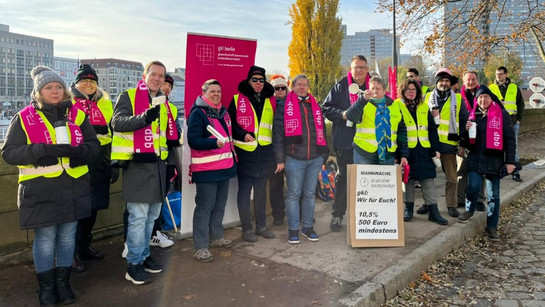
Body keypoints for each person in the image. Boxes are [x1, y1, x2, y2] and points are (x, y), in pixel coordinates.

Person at [1, 66, 100, 306]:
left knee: (67, 238)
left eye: (58, 87)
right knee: (45, 240)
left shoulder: (77, 115)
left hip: (73, 187)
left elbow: (94, 147)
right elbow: (9, 153)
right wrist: (40, 151)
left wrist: (79, 152)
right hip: (40, 190)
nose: (54, 91)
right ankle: (46, 288)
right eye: (48, 87)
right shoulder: (24, 116)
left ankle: (63, 284)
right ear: (38, 92)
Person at [111, 61, 175, 285]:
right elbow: (116, 123)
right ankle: (133, 264)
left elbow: (165, 137)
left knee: (151, 218)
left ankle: (144, 256)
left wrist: (171, 164)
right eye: (154, 74)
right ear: (144, 75)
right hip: (137, 166)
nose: (158, 79)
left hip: (158, 166)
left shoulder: (163, 102)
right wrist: (144, 118)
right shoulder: (128, 96)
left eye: (162, 76)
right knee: (138, 219)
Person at [273, 74, 328, 244]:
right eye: (299, 84)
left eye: (305, 85)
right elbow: (278, 135)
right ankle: (293, 229)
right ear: (293, 86)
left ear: (308, 87)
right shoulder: (285, 106)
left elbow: (322, 130)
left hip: (314, 158)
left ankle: (307, 227)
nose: (302, 87)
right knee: (293, 194)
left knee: (310, 194)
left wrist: (323, 155)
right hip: (294, 158)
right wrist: (280, 159)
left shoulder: (314, 105)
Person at [69, 64, 114, 273]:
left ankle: (86, 247)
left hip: (101, 158)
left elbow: (113, 131)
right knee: (77, 209)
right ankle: (72, 253)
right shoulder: (67, 101)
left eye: (92, 81)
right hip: (79, 159)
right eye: (84, 81)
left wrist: (113, 161)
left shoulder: (105, 101)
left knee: (93, 207)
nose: (88, 84)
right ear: (77, 83)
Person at [457, 86, 516, 241]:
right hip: (476, 158)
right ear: (477, 100)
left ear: (491, 99)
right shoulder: (473, 115)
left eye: (486, 97)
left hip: (494, 161)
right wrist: (465, 129)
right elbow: (465, 140)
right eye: (480, 98)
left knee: (493, 196)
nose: (483, 100)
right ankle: (469, 210)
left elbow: (510, 140)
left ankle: (492, 226)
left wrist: (510, 162)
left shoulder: (502, 114)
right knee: (473, 187)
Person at [187, 79, 237, 262]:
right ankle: (200, 246)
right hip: (207, 170)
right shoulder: (198, 114)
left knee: (219, 206)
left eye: (218, 91)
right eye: (212, 91)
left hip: (224, 168)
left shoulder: (222, 112)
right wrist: (212, 143)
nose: (216, 94)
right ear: (204, 93)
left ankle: (217, 237)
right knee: (204, 208)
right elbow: (193, 140)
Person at [228, 65, 276, 242]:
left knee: (261, 192)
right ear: (249, 80)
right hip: (245, 153)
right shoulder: (236, 99)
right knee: (244, 192)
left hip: (264, 153)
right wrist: (242, 134)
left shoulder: (270, 100)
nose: (258, 83)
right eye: (255, 79)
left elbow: (275, 126)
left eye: (262, 80)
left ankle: (261, 226)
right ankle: (247, 229)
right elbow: (229, 123)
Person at [322, 55, 370, 232]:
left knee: (367, 180)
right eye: (355, 67)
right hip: (345, 141)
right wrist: (342, 114)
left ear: (367, 69)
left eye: (362, 67)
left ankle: (367, 216)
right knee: (343, 179)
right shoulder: (340, 86)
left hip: (368, 143)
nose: (358, 70)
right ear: (350, 69)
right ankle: (338, 215)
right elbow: (326, 108)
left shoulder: (374, 86)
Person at [397, 79, 447, 225]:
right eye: (408, 89)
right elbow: (398, 131)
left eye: (414, 89)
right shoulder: (397, 106)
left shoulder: (424, 107)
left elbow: (432, 130)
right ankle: (409, 209)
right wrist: (399, 154)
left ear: (417, 92)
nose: (411, 92)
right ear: (403, 91)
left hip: (424, 150)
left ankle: (433, 211)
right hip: (407, 151)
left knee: (428, 180)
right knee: (409, 180)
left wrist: (436, 149)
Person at [418, 68, 468, 218]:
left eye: (447, 81)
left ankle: (451, 205)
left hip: (449, 144)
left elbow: (464, 121)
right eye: (441, 81)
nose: (444, 83)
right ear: (436, 83)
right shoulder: (427, 98)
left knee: (452, 178)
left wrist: (463, 144)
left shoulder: (458, 99)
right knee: (427, 177)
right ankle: (428, 203)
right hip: (429, 144)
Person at [345, 75, 409, 167]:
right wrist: (362, 100)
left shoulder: (395, 106)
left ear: (384, 90)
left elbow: (402, 133)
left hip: (388, 155)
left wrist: (403, 155)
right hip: (364, 153)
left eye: (378, 88)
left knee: (385, 181)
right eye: (372, 88)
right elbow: (350, 116)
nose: (375, 91)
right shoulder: (363, 103)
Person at [149, 73, 176, 249]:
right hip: (144, 160)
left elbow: (174, 136)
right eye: (164, 83)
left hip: (164, 159)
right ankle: (131, 242)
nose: (166, 87)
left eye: (169, 86)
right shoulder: (145, 104)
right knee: (138, 207)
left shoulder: (171, 108)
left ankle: (155, 233)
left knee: (159, 199)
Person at [457, 71, 487, 211]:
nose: (471, 82)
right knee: (461, 170)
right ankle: (460, 199)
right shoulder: (458, 98)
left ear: (477, 80)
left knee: (481, 169)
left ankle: (480, 200)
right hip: (464, 138)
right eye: (468, 79)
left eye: (473, 79)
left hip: (481, 138)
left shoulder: (483, 94)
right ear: (463, 82)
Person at [489, 66, 525, 182]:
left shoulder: (514, 87)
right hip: (496, 122)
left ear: (506, 74)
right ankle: (499, 170)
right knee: (496, 146)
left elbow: (520, 104)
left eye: (500, 74)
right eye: (497, 74)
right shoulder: (491, 88)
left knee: (513, 147)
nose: (498, 76)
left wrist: (519, 118)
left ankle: (515, 172)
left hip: (513, 122)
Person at [268, 74, 289, 226]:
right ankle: (278, 215)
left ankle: (300, 213)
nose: (280, 90)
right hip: (272, 151)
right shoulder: (267, 104)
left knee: (295, 185)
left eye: (283, 87)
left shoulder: (293, 103)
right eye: (277, 88)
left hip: (292, 150)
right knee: (275, 186)